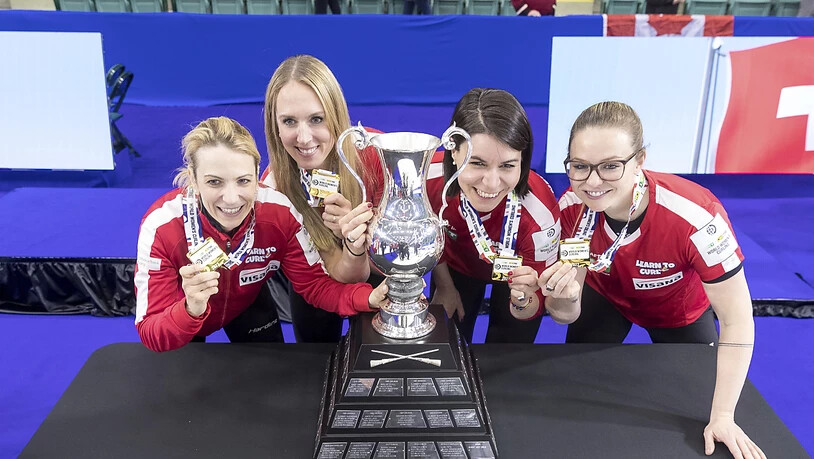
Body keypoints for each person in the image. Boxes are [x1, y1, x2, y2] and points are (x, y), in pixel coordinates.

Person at [542, 101, 766, 459]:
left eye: (611, 167)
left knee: (697, 414)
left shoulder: (696, 217)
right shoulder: (571, 208)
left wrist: (724, 415)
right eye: (580, 167)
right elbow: (566, 314)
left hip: (678, 312)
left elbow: (737, 319)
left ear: (640, 160)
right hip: (607, 298)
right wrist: (564, 300)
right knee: (579, 404)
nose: (593, 182)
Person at [134, 117, 388, 352]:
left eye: (243, 181)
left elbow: (316, 285)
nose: (231, 198)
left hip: (246, 303)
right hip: (182, 310)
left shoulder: (279, 213)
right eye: (214, 182)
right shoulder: (161, 227)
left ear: (258, 176)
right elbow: (151, 332)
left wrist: (369, 297)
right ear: (193, 179)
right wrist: (190, 308)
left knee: (271, 374)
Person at [427, 88, 577, 344]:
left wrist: (523, 299)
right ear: (454, 152)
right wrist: (443, 285)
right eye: (477, 163)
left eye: (508, 165)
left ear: (523, 161)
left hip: (519, 277)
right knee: (447, 348)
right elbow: (428, 236)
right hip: (457, 267)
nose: (491, 183)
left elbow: (532, 306)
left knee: (508, 355)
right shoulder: (428, 179)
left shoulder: (540, 216)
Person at [262, 55, 385, 343]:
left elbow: (395, 258)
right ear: (275, 126)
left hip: (377, 274)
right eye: (289, 121)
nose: (304, 138)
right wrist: (347, 245)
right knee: (312, 365)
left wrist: (362, 237)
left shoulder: (376, 154)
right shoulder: (273, 189)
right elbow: (330, 275)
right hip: (317, 281)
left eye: (317, 119)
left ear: (336, 114)